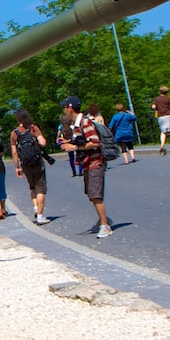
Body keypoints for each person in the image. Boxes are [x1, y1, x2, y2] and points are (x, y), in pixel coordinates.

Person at [58, 96, 112, 238]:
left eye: (65, 107)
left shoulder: (84, 122)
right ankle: (102, 221)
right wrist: (69, 142)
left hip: (95, 162)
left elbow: (95, 142)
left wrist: (74, 146)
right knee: (91, 194)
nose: (64, 110)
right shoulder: (77, 124)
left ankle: (105, 225)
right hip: (88, 163)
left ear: (70, 108)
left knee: (95, 194)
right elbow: (83, 139)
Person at [10, 109, 49, 225]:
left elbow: (14, 152)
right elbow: (43, 143)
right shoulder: (33, 128)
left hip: (25, 164)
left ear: (18, 119)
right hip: (37, 162)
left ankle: (36, 208)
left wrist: (17, 167)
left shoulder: (14, 133)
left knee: (32, 187)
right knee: (41, 188)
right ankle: (40, 216)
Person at [152, 86, 170, 154]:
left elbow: (153, 107)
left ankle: (162, 145)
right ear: (167, 92)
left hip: (160, 116)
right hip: (168, 115)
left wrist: (157, 109)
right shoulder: (168, 99)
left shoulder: (156, 99)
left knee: (163, 131)